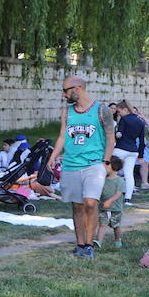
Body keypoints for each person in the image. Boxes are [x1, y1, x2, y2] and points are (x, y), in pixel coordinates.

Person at [50, 75, 116, 258]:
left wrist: (106, 162)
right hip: (71, 164)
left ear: (77, 88)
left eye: (66, 90)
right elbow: (63, 136)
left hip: (94, 164)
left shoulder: (101, 110)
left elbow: (111, 138)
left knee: (90, 202)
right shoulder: (67, 111)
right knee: (77, 206)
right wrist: (53, 156)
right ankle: (80, 244)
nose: (64, 95)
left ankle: (89, 245)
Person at [111, 100, 146, 202]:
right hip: (133, 151)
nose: (118, 113)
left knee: (111, 171)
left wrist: (115, 135)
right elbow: (142, 140)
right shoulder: (140, 121)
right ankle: (128, 199)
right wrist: (141, 155)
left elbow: (119, 134)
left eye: (119, 111)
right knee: (129, 174)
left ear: (125, 109)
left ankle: (109, 194)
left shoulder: (124, 119)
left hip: (121, 148)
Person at [97, 156, 125, 248]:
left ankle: (118, 241)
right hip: (103, 207)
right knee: (102, 224)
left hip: (115, 208)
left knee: (116, 226)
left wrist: (110, 200)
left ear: (113, 167)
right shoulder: (102, 179)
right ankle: (98, 242)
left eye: (106, 166)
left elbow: (119, 193)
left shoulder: (120, 180)